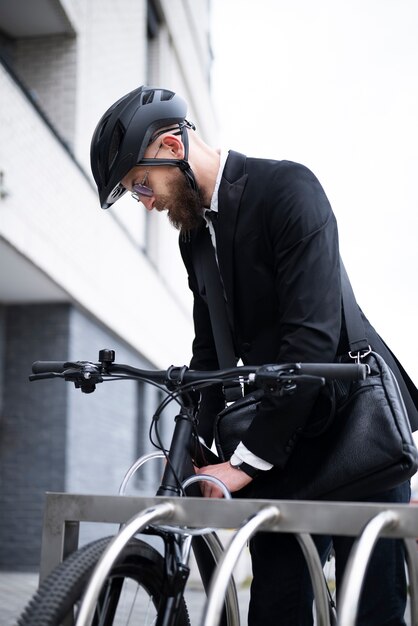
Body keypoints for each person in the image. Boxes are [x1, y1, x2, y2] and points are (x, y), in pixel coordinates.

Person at [90, 85, 418, 626]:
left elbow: (310, 344)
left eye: (141, 184)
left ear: (173, 146)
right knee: (276, 606)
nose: (145, 203)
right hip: (286, 439)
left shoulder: (288, 188)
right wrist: (194, 436)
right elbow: (208, 354)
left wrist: (242, 467)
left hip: (354, 428)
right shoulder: (194, 237)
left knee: (372, 608)